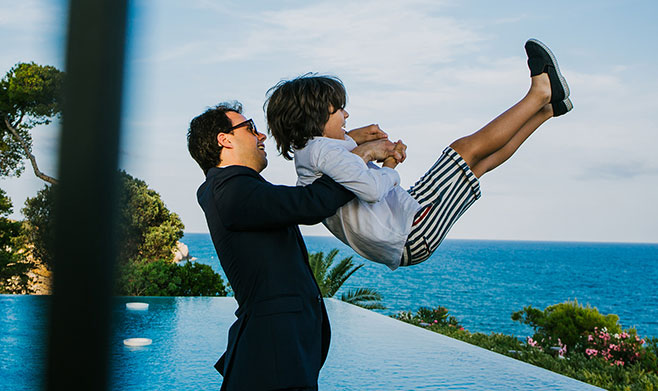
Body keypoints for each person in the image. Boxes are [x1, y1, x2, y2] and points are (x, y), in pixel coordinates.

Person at [265, 39, 573, 270]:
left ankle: (546, 110)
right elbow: (371, 188)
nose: (346, 114)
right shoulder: (323, 152)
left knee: (478, 165)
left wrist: (372, 145)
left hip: (405, 228)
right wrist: (389, 167)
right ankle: (540, 93)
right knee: (464, 151)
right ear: (315, 117)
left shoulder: (311, 154)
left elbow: (347, 157)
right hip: (409, 229)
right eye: (338, 109)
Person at [188, 102, 385, 391]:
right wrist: (359, 156)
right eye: (250, 128)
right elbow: (311, 202)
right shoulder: (228, 189)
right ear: (224, 139)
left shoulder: (236, 188)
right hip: (274, 354)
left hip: (275, 352)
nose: (262, 136)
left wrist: (348, 141)